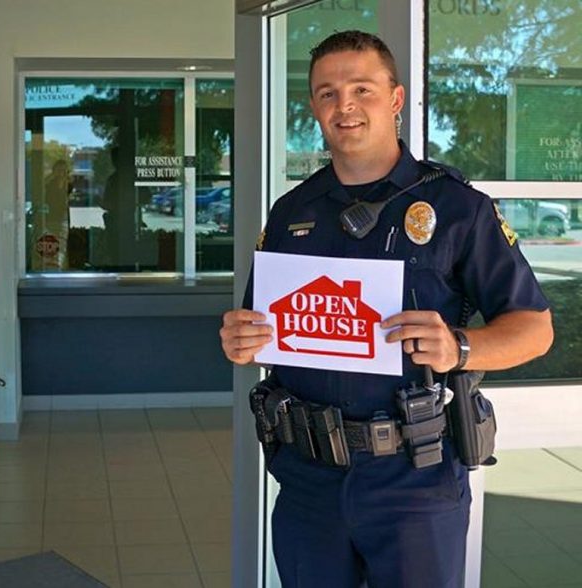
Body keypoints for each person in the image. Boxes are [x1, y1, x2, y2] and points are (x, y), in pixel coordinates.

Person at [220, 31, 553, 588]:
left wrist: (460, 347)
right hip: (308, 479)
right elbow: (259, 329)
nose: (344, 105)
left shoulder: (457, 209)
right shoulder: (291, 212)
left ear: (395, 99)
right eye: (327, 93)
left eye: (362, 89)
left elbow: (534, 329)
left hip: (413, 479)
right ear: (314, 108)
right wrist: (240, 340)